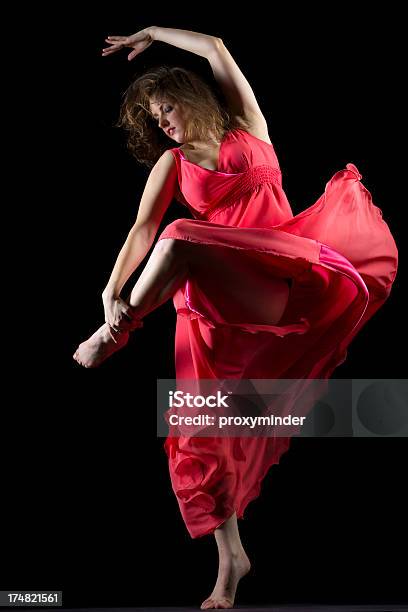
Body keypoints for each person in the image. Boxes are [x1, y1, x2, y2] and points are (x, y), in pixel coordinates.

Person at [73, 26, 399, 610]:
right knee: (199, 429)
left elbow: (218, 48)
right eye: (154, 117)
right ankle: (230, 565)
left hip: (276, 283)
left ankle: (117, 332)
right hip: (211, 309)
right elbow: (141, 230)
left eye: (167, 108)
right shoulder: (172, 165)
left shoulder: (248, 130)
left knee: (178, 236)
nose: (163, 123)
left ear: (190, 99)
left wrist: (152, 31)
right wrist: (108, 288)